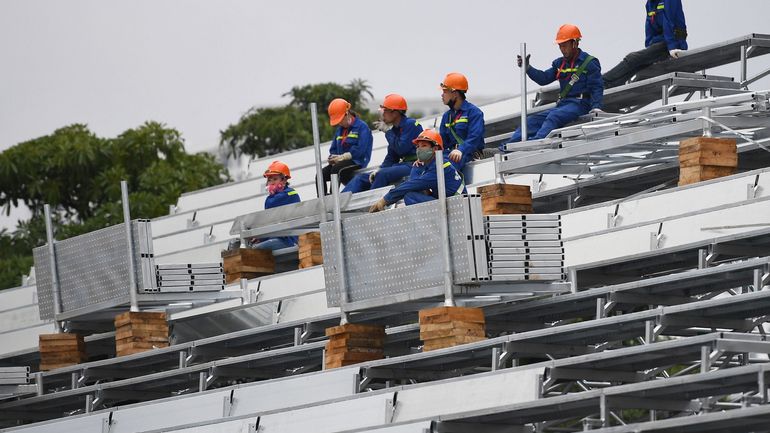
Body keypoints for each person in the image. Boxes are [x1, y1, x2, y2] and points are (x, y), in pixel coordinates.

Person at [503, 24, 603, 147]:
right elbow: (544, 78)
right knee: (530, 122)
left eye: (564, 45)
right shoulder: (559, 64)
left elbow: (596, 87)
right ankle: (506, 148)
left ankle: (534, 144)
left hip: (581, 104)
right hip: (563, 104)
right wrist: (528, 68)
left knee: (554, 116)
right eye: (560, 46)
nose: (562, 49)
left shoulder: (589, 63)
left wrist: (596, 106)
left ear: (575, 43)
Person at [369, 129, 466, 212]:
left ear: (435, 149)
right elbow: (414, 184)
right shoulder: (428, 165)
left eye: (423, 146)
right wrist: (417, 168)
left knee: (410, 196)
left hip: (457, 207)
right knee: (412, 194)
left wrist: (385, 200)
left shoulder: (440, 167)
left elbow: (411, 185)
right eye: (418, 146)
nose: (419, 149)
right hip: (448, 205)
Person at [344, 94, 423, 194]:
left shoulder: (410, 124)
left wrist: (388, 131)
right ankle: (338, 204)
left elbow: (402, 148)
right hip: (402, 165)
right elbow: (391, 157)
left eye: (385, 110)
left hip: (414, 165)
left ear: (395, 112)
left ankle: (372, 206)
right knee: (361, 177)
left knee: (382, 175)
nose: (383, 114)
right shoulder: (394, 130)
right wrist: (379, 169)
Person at [603, 0, 688, 89]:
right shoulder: (650, 3)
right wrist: (649, 49)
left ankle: (601, 81)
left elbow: (669, 21)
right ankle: (609, 86)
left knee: (632, 58)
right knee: (637, 64)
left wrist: (672, 47)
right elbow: (649, 27)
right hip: (659, 44)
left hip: (673, 42)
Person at [321, 98, 373, 195]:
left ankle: (334, 196)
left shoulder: (362, 127)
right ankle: (322, 198)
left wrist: (345, 156)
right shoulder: (339, 130)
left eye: (340, 120)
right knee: (321, 173)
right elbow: (333, 149)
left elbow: (361, 150)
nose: (340, 123)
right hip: (340, 163)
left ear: (347, 113)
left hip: (357, 161)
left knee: (336, 169)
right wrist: (333, 157)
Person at [249, 161, 301, 250]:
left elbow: (271, 220)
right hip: (276, 237)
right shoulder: (272, 197)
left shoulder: (289, 194)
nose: (271, 182)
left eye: (275, 179)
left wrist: (260, 236)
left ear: (284, 180)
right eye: (269, 180)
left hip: (289, 240)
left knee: (255, 250)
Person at [439, 72, 485, 170]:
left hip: (469, 154)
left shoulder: (474, 112)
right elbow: (442, 143)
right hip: (451, 154)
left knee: (445, 168)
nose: (442, 95)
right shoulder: (446, 116)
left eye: (445, 91)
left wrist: (461, 150)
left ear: (455, 94)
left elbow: (474, 138)